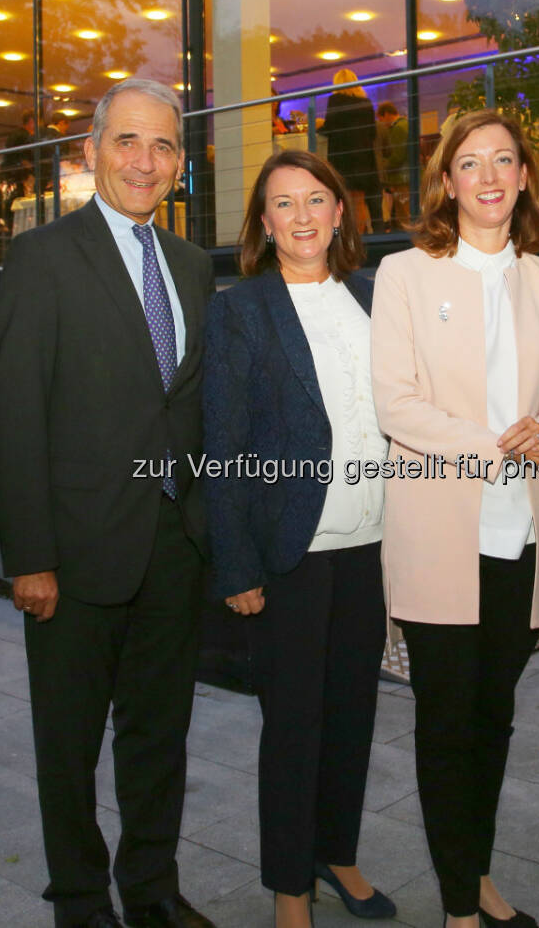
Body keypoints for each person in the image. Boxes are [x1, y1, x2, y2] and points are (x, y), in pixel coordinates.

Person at [0, 78, 215, 928]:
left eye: (161, 146)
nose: (144, 161)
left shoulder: (194, 266)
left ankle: (152, 889)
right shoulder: (43, 257)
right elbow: (17, 412)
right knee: (69, 744)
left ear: (179, 164)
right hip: (76, 551)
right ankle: (80, 900)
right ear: (92, 151)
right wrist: (31, 556)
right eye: (127, 141)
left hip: (172, 542)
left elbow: (188, 404)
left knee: (159, 738)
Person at [371, 109, 539, 928]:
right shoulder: (406, 276)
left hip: (520, 538)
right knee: (446, 722)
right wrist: (498, 445)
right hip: (439, 540)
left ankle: (477, 871)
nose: (490, 176)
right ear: (447, 182)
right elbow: (398, 405)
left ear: (525, 176)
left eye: (504, 161)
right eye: (470, 163)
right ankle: (461, 906)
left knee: (493, 719)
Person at [205, 149, 395, 928]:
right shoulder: (241, 309)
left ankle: (338, 855)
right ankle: (291, 888)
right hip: (290, 551)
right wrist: (237, 561)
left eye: (316, 199)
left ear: (341, 210)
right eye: (284, 204)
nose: (303, 216)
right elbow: (224, 445)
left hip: (374, 543)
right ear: (263, 222)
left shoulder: (376, 296)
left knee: (353, 712)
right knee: (293, 724)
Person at [322, 69, 382, 232]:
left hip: (344, 159)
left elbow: (330, 128)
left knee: (347, 201)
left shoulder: (335, 100)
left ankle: (351, 236)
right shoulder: (366, 103)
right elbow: (372, 133)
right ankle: (370, 232)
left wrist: (318, 125)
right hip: (364, 158)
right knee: (365, 200)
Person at [375, 100, 411, 230]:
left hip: (402, 178)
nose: (382, 124)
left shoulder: (398, 128)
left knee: (405, 215)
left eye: (380, 119)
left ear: (386, 114)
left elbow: (396, 156)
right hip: (408, 176)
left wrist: (382, 169)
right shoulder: (407, 124)